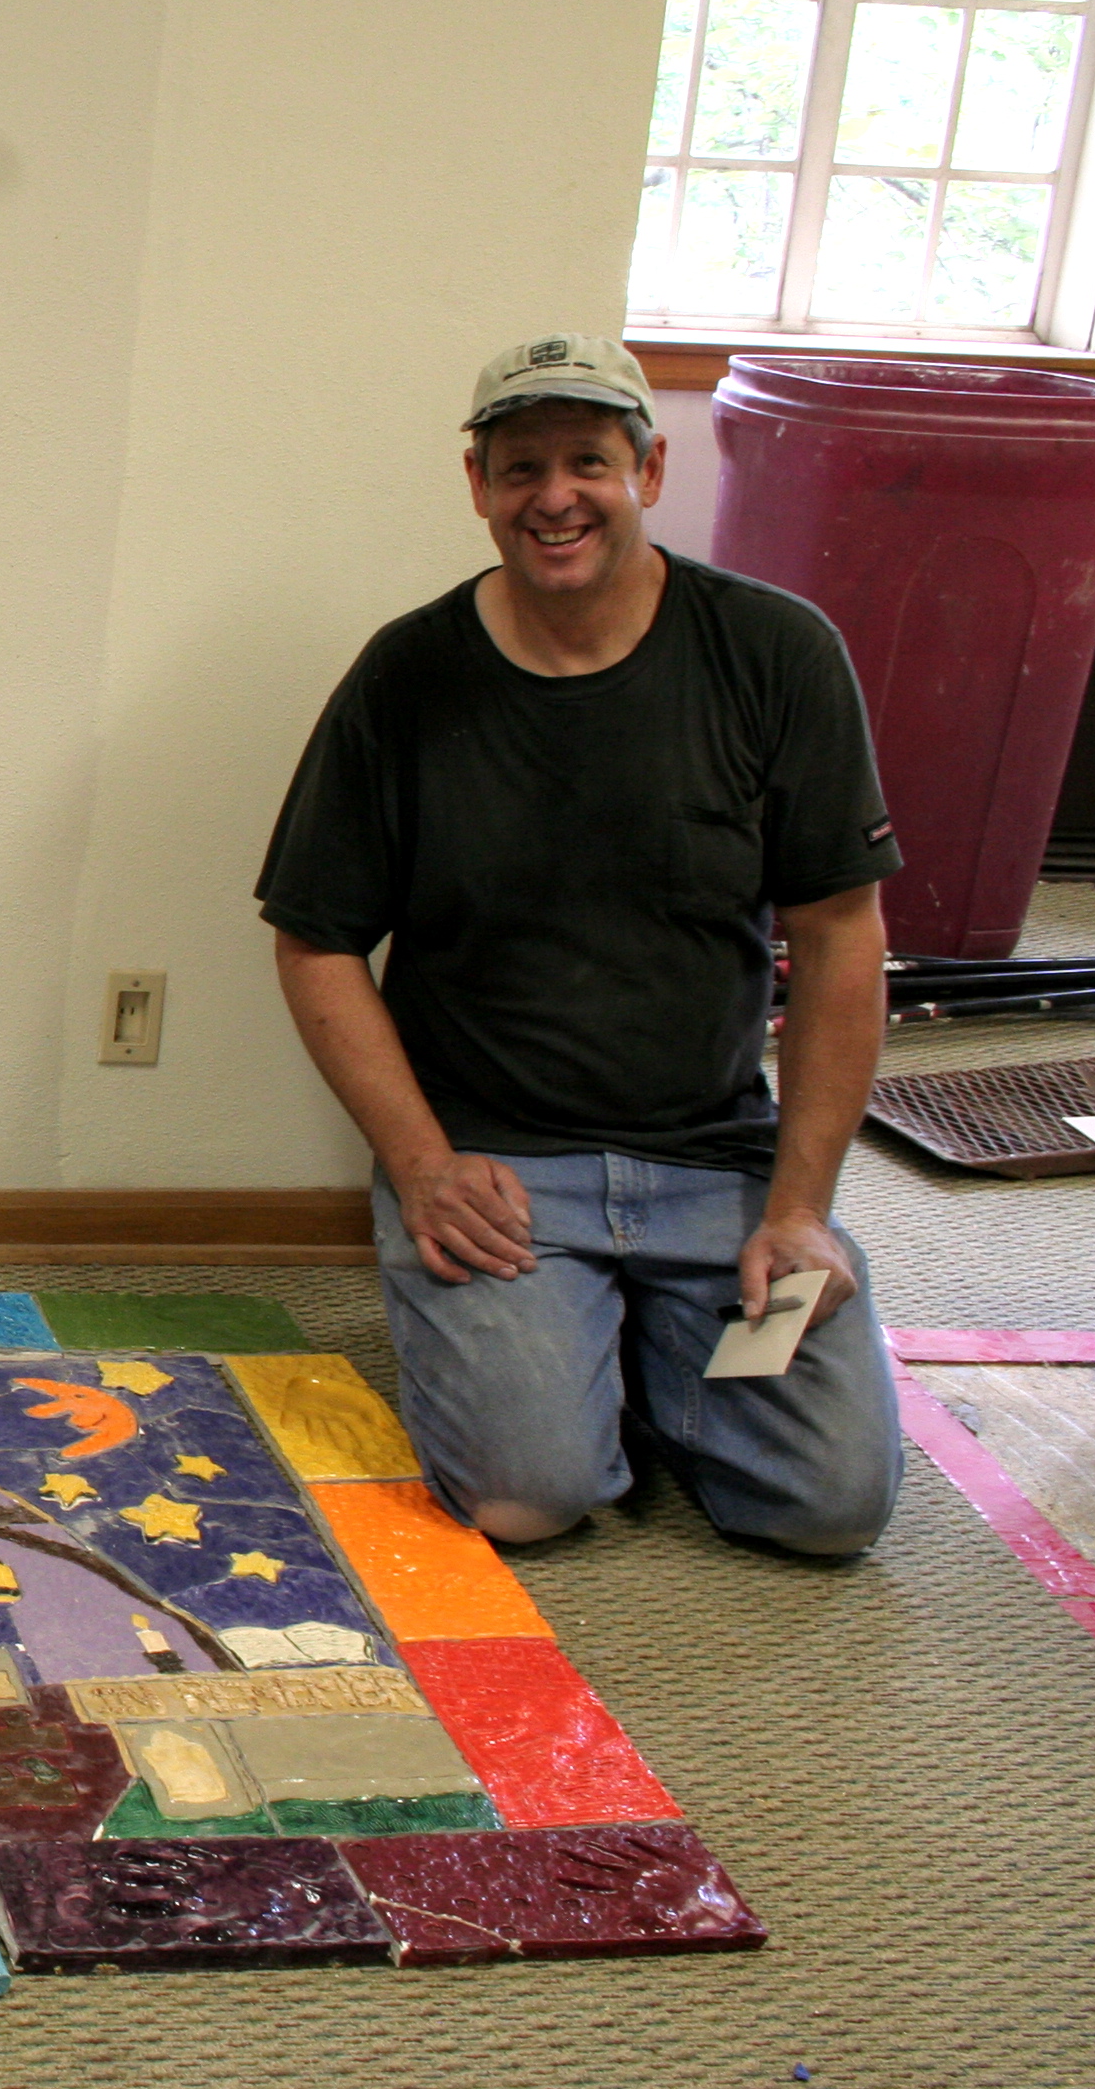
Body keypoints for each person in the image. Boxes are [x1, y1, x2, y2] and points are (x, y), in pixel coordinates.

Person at [257, 333, 906, 1560]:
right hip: (498, 1170)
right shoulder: (407, 677)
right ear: (479, 486)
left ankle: (632, 1349)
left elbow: (839, 937)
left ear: (649, 472)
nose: (555, 497)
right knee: (528, 1497)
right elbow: (315, 944)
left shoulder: (777, 654)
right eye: (522, 469)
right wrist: (424, 1166)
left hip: (717, 1162)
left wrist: (803, 1211)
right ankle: (582, 1350)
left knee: (830, 1507)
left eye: (589, 463)